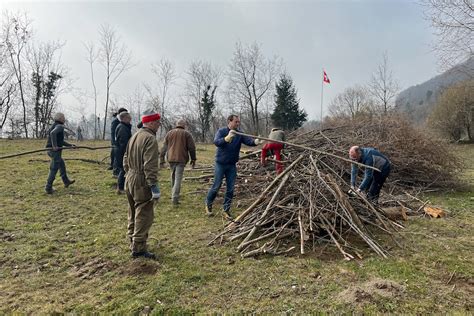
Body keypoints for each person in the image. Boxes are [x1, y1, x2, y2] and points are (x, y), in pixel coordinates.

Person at [205, 115, 261, 220]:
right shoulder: (221, 131)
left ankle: (226, 210)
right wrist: (226, 138)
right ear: (229, 121)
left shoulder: (239, 134)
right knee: (217, 185)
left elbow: (248, 141)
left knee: (230, 189)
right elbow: (216, 142)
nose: (237, 124)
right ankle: (208, 204)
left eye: (238, 122)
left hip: (232, 165)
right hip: (220, 163)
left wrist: (255, 142)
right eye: (236, 122)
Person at [123, 111, 161, 259]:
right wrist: (153, 186)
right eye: (157, 122)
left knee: (132, 211)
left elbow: (125, 158)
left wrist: (129, 174)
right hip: (141, 179)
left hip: (130, 177)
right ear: (151, 123)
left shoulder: (135, 136)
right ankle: (138, 248)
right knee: (144, 213)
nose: (159, 125)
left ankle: (132, 240)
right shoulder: (150, 138)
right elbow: (150, 165)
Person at [160, 119, 197, 205]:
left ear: (177, 125)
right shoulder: (187, 134)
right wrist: (193, 159)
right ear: (184, 125)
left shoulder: (169, 133)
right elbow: (192, 148)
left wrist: (161, 159)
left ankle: (173, 195)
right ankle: (175, 198)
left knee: (173, 176)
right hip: (181, 159)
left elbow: (164, 147)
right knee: (178, 178)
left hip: (171, 159)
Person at [44, 112, 76, 194]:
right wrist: (54, 146)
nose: (65, 119)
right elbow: (53, 133)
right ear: (61, 119)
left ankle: (66, 181)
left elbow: (60, 141)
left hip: (50, 150)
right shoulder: (59, 126)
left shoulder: (55, 125)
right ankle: (48, 187)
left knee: (61, 164)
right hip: (54, 151)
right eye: (64, 117)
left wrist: (70, 145)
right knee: (54, 169)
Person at [115, 112, 132, 194]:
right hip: (122, 152)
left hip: (121, 151)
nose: (130, 120)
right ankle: (120, 188)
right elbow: (123, 142)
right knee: (123, 169)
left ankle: (122, 186)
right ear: (124, 118)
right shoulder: (122, 128)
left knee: (123, 169)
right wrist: (127, 153)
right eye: (129, 118)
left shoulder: (123, 127)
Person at [110, 107, 128, 175]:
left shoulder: (121, 121)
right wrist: (114, 143)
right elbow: (113, 133)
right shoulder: (115, 121)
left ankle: (117, 170)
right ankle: (115, 171)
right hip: (116, 143)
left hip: (121, 142)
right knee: (116, 157)